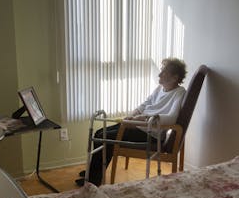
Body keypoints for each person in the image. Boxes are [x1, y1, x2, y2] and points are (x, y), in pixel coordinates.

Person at [77, 57, 188, 186]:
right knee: (99, 133)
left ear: (174, 78)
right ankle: (93, 172)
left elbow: (172, 117)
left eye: (164, 72)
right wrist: (131, 117)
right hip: (138, 125)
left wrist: (141, 119)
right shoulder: (159, 89)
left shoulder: (179, 92)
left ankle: (93, 180)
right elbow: (143, 105)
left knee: (104, 137)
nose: (159, 74)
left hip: (150, 133)